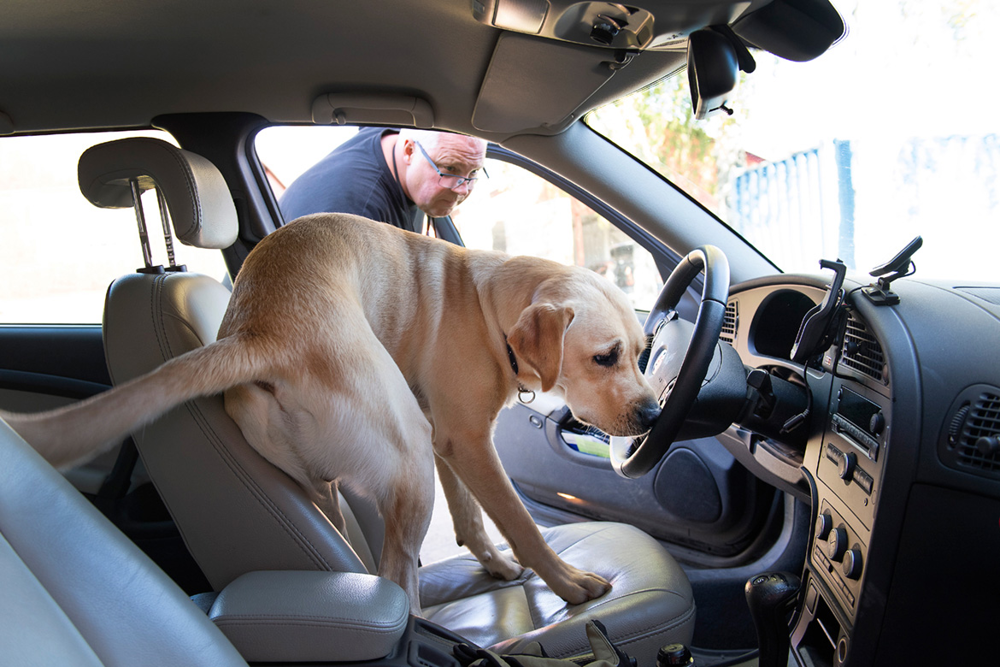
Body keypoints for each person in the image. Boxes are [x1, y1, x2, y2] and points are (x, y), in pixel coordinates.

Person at [279, 127, 487, 234]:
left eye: (474, 172)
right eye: (450, 169)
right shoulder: (356, 216)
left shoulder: (398, 137)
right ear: (409, 151)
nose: (463, 189)